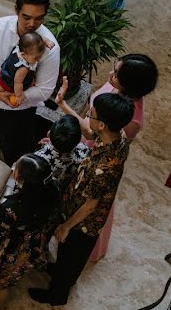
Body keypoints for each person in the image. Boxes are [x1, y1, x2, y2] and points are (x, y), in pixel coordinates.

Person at [29, 91, 135, 306]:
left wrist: (66, 226)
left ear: (103, 124)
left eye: (92, 114)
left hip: (83, 223)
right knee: (67, 260)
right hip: (77, 205)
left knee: (70, 258)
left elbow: (90, 206)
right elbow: (87, 129)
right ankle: (60, 272)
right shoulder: (118, 137)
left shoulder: (104, 166)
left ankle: (57, 295)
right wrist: (63, 105)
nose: (88, 116)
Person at [59, 55, 158, 261]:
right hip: (87, 142)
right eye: (114, 69)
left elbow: (89, 132)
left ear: (130, 85)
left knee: (89, 199)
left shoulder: (131, 120)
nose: (110, 74)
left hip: (95, 154)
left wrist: (63, 105)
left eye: (116, 74)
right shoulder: (119, 87)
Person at [0, 0, 60, 166]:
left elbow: (45, 90)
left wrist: (14, 98)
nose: (31, 24)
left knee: (15, 159)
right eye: (26, 17)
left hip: (20, 112)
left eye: (39, 18)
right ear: (16, 10)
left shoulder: (50, 48)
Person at [0, 155, 60, 310]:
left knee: (1, 283)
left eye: (17, 166)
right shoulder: (54, 190)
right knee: (11, 278)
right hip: (35, 241)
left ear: (23, 179)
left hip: (12, 250)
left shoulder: (11, 208)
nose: (13, 164)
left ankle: (0, 308)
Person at [0, 32, 46, 116]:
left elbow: (27, 40)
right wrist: (19, 95)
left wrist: (46, 41)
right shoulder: (23, 68)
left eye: (40, 56)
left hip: (3, 74)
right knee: (16, 95)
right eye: (36, 58)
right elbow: (18, 83)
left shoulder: (18, 49)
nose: (38, 60)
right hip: (9, 84)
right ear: (24, 55)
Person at [33, 115, 90, 190]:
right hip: (64, 186)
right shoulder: (84, 151)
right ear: (79, 139)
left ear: (49, 134)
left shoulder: (38, 158)